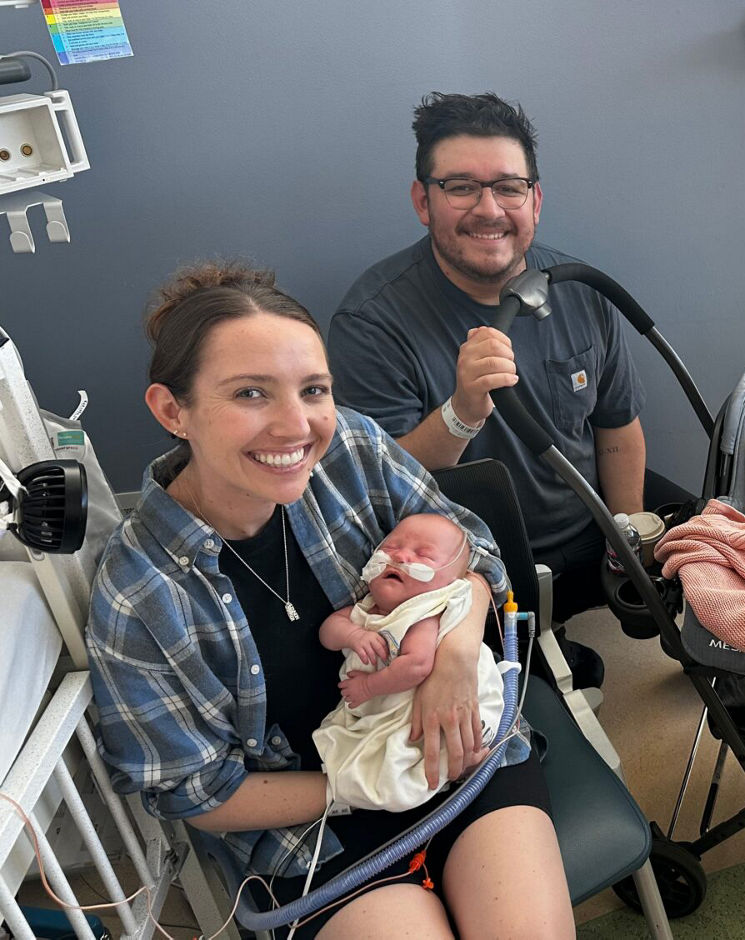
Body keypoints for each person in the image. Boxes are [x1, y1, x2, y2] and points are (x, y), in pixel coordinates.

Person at [86, 262, 573, 939]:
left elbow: (476, 557)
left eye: (313, 389)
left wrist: (458, 654)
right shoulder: (139, 595)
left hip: (458, 759)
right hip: (308, 832)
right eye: (251, 393)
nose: (296, 426)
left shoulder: (350, 447)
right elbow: (196, 791)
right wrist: (361, 781)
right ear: (174, 410)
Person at [328, 91, 689, 689]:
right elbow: (379, 486)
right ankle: (543, 653)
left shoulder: (579, 289)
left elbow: (617, 427)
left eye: (509, 187)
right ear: (424, 201)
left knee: (705, 548)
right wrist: (462, 413)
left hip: (589, 515)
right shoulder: (373, 322)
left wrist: (626, 539)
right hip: (476, 561)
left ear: (535, 200)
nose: (489, 209)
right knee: (530, 699)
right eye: (461, 186)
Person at [313, 513, 512, 814]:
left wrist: (369, 685)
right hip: (379, 704)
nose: (402, 556)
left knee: (411, 752)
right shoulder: (367, 606)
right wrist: (352, 634)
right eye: (391, 547)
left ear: (447, 583)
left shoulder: (423, 612)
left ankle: (456, 767)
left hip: (414, 701)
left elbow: (417, 665)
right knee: (357, 748)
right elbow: (328, 633)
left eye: (424, 555)